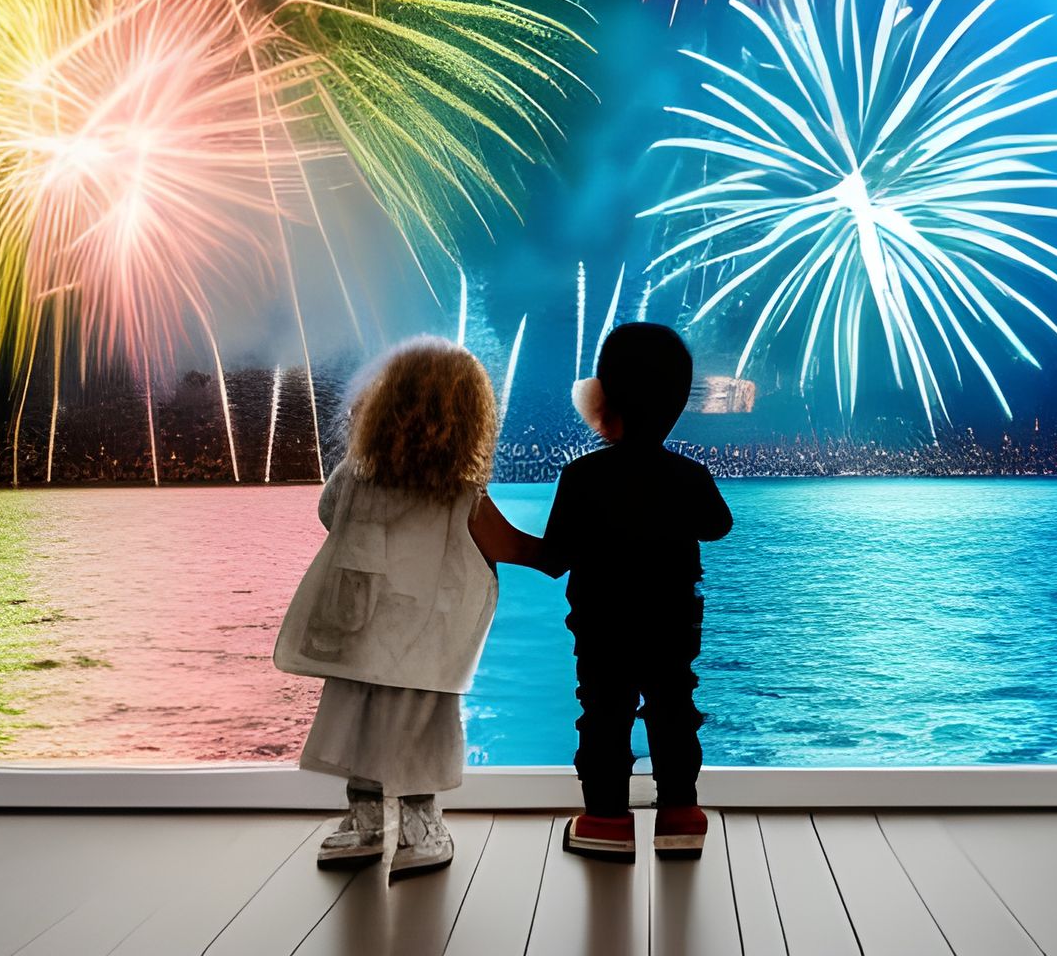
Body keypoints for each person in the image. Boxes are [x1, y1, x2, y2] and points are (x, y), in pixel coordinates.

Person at [275, 337, 547, 879]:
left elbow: (331, 517)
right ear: (470, 419)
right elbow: (510, 547)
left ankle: (366, 822)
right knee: (421, 728)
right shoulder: (461, 493)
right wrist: (568, 551)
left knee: (358, 720)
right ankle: (421, 830)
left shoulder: (354, 478)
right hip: (426, 636)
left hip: (357, 630)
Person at [541, 322, 734, 864]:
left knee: (604, 713)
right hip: (672, 623)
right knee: (674, 708)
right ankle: (680, 815)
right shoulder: (689, 476)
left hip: (602, 625)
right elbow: (720, 525)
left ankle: (605, 820)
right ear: (678, 399)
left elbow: (556, 556)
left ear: (606, 394)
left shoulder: (581, 476)